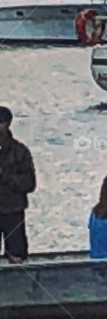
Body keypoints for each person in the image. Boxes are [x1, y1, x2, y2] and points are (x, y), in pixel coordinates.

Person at [0, 105, 37, 264]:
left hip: (13, 211)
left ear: (7, 123)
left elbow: (30, 183)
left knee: (16, 256)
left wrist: (6, 177)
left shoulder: (20, 151)